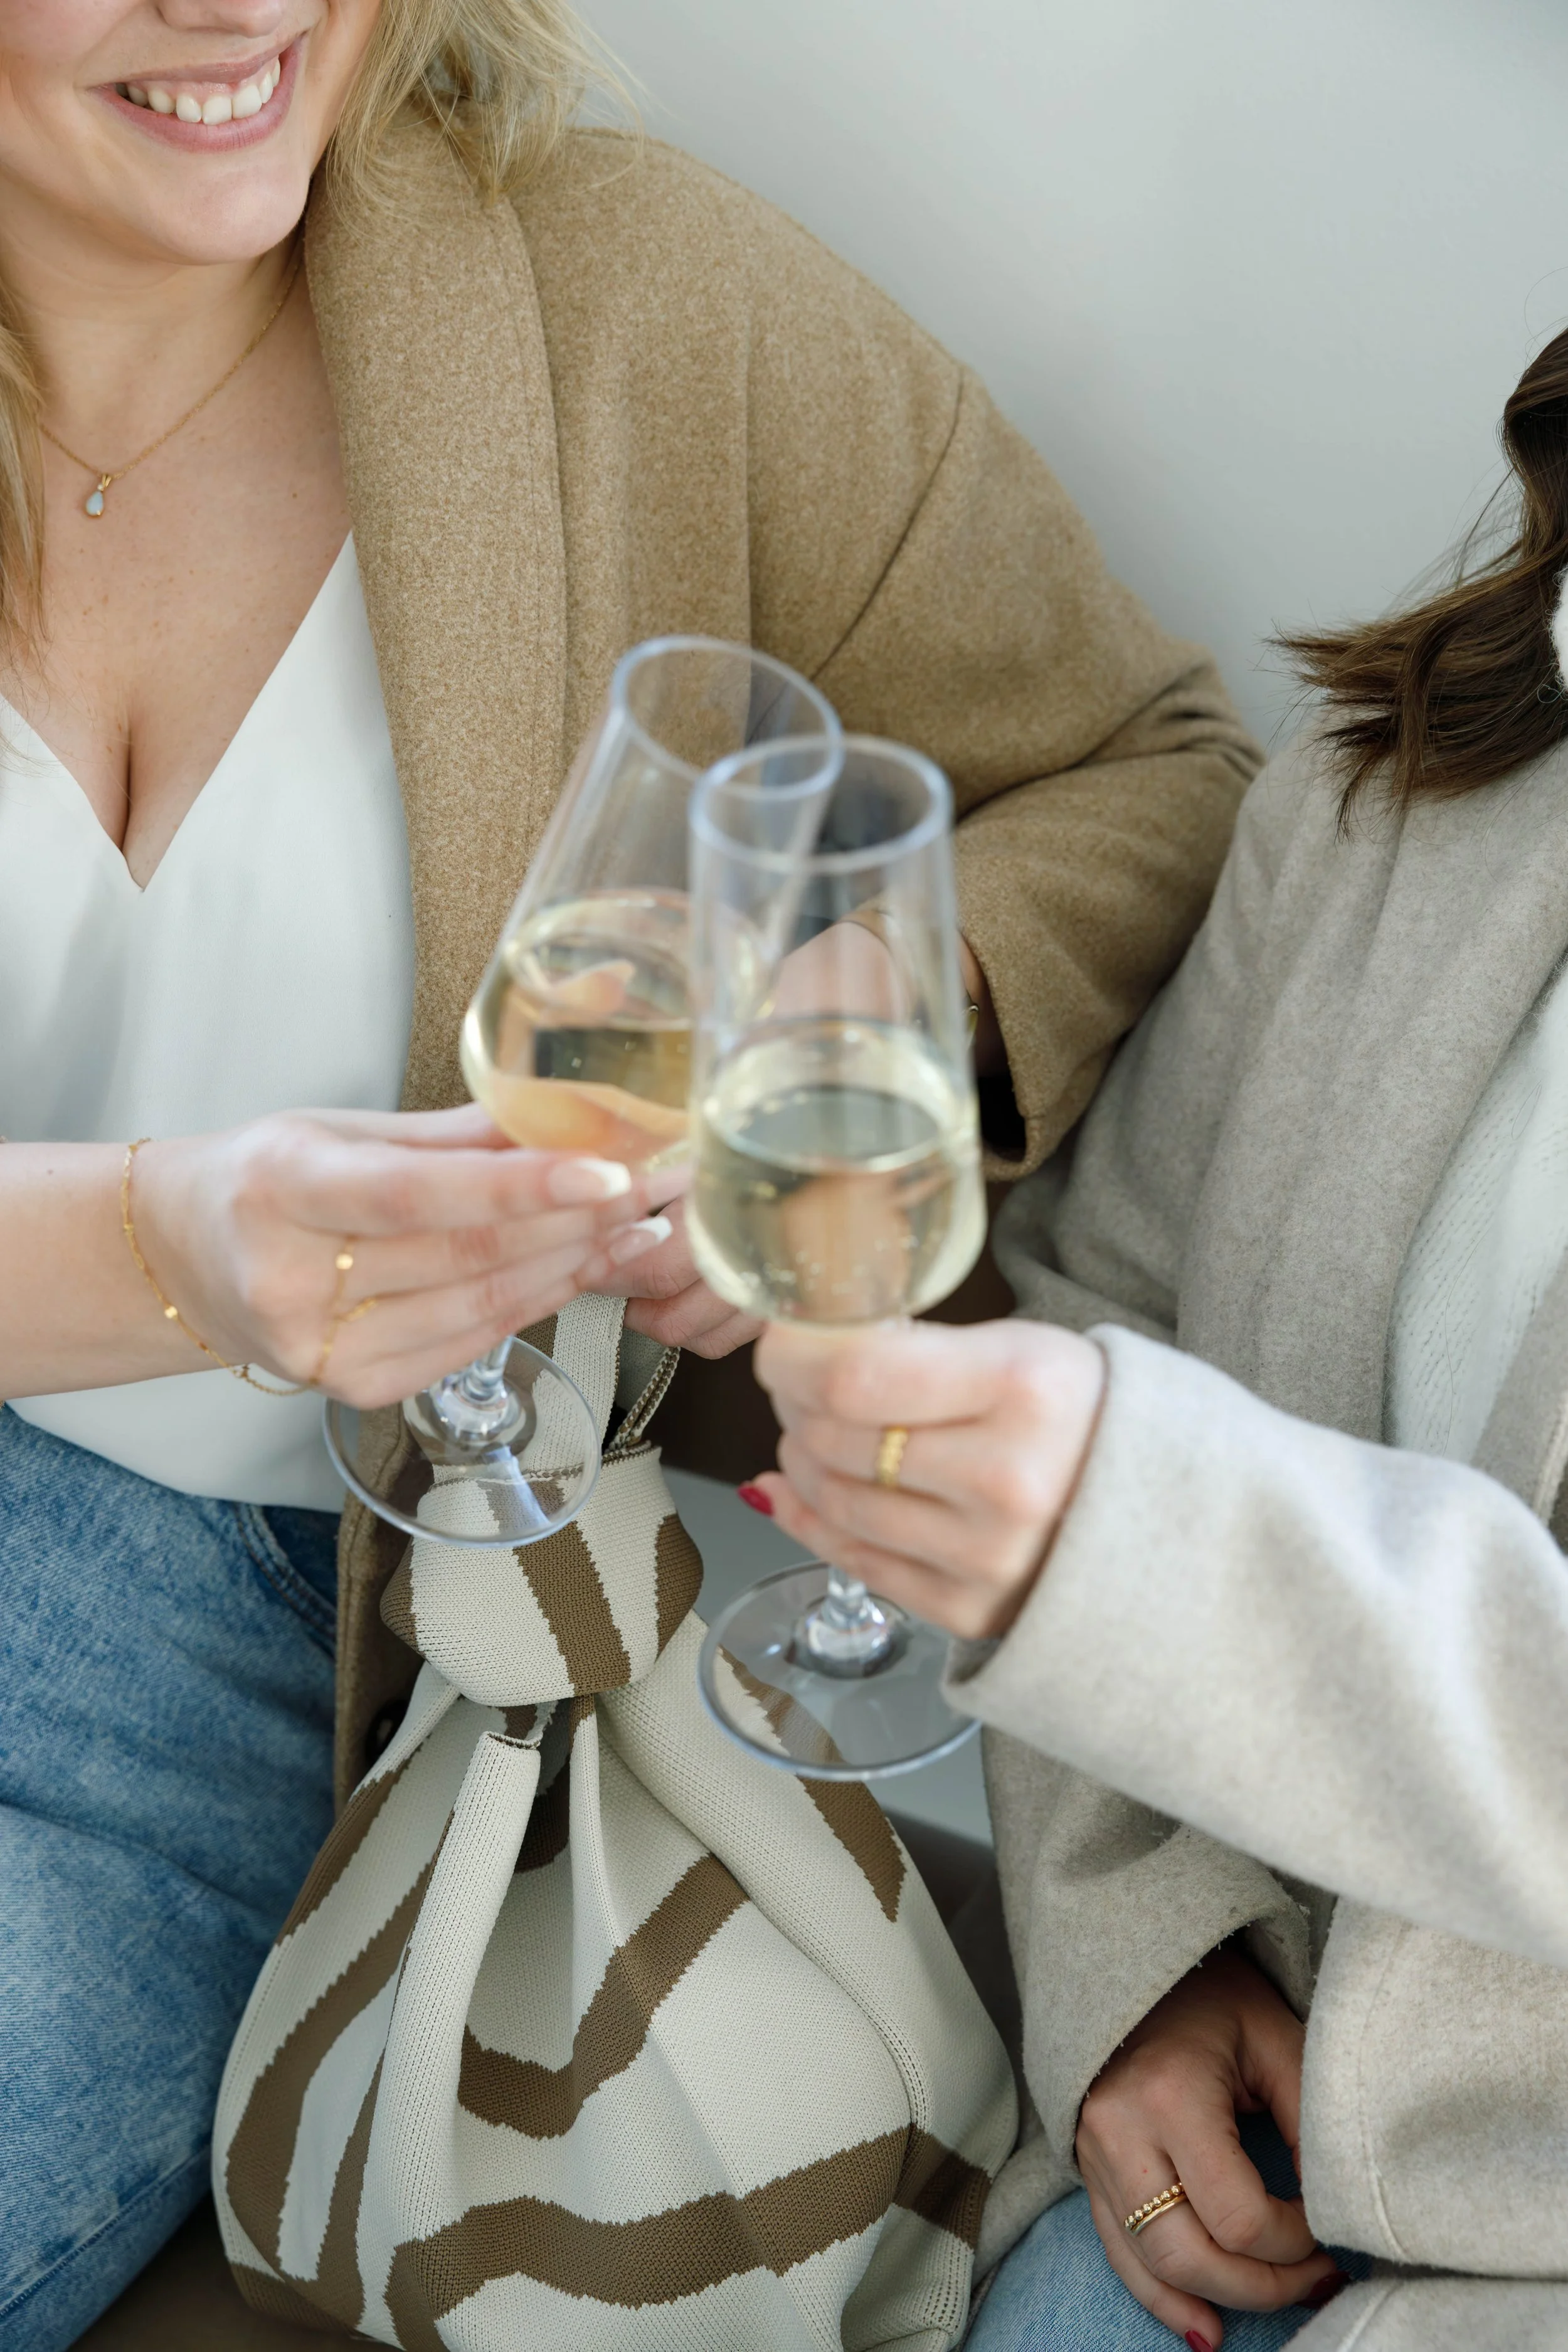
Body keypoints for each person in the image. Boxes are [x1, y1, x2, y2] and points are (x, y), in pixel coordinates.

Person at [0, 3, 1261, 2344]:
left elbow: (1145, 768)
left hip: (225, 1654)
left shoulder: (634, 312)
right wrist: (170, 1244)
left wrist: (830, 1047)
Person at [750, 320, 1568, 2351]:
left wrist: (1138, 1545)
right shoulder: (1394, 796)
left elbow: (1139, 1489)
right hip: (1231, 2153)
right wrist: (1138, 1946)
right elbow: (1118, 1289)